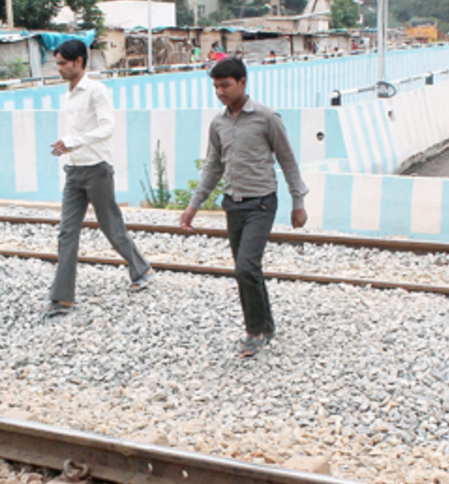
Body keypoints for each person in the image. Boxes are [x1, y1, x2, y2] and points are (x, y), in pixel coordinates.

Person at [179, 57, 308, 358]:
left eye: (225, 85)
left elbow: (288, 160)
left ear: (242, 82)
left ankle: (254, 333)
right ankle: (267, 324)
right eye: (215, 87)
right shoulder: (218, 123)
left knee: (245, 267)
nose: (220, 92)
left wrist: (298, 203)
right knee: (249, 270)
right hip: (232, 205)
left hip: (261, 203)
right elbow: (213, 167)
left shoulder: (266, 118)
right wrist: (192, 206)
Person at [43, 39, 154, 318]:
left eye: (62, 63)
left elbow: (107, 128)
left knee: (111, 226)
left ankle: (140, 269)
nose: (58, 68)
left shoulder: (96, 90)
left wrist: (72, 141)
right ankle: (62, 298)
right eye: (57, 63)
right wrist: (68, 147)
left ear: (79, 62)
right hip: (74, 170)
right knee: (67, 232)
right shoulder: (68, 94)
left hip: (97, 169)